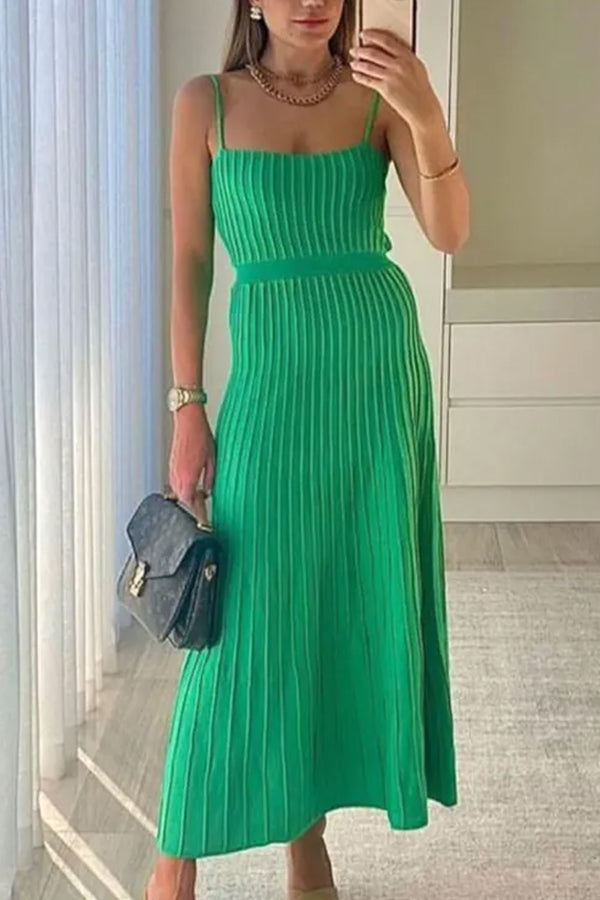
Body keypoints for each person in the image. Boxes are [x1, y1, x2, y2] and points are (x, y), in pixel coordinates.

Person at [146, 0, 469, 897]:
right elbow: (191, 259)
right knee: (246, 619)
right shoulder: (204, 102)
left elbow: (449, 232)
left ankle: (308, 841)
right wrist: (186, 403)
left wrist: (425, 111)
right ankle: (173, 863)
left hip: (375, 386)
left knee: (336, 603)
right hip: (273, 391)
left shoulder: (378, 100)